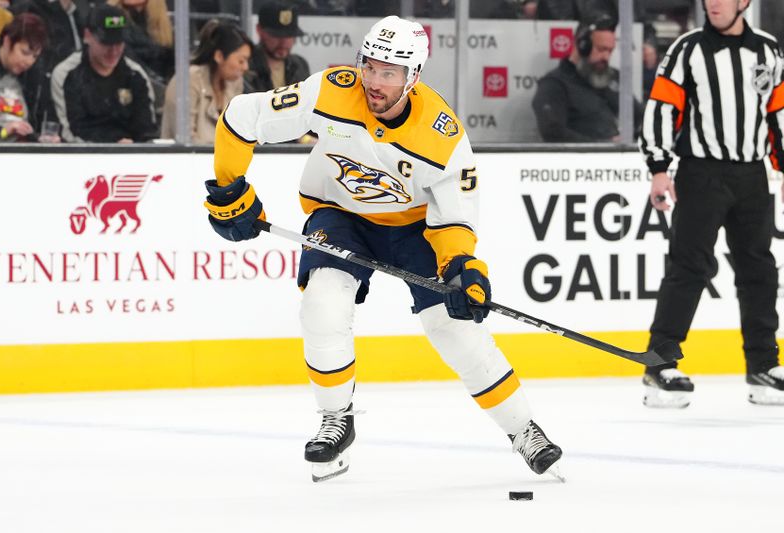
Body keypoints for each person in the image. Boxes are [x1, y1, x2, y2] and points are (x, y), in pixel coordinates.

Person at [203, 15, 564, 483]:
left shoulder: (444, 137)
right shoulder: (330, 90)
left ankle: (523, 429)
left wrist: (462, 269)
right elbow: (241, 117)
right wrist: (230, 190)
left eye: (388, 72)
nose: (373, 81)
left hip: (416, 229)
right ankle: (336, 417)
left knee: (453, 329)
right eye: (369, 66)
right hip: (342, 216)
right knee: (322, 304)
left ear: (413, 77)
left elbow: (455, 217)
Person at [639, 0, 784, 407]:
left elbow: (778, 112)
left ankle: (763, 366)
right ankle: (660, 364)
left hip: (752, 174)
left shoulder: (768, 51)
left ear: (745, 3)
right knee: (689, 266)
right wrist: (659, 167)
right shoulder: (687, 49)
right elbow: (662, 107)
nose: (714, 3)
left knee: (759, 268)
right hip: (701, 173)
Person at [51, 3, 157, 143]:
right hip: (83, 157)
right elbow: (68, 133)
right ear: (87, 36)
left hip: (132, 157)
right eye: (106, 43)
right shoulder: (66, 74)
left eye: (119, 43)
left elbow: (147, 131)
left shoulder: (136, 75)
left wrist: (133, 148)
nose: (113, 51)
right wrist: (110, 148)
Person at [532, 14, 642, 142]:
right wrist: (602, 146)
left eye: (610, 51)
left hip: (622, 157)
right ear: (583, 45)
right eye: (601, 49)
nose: (606, 57)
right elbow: (553, 133)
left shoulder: (613, 78)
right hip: (580, 160)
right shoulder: (554, 85)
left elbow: (640, 115)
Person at [160, 20, 251, 144]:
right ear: (219, 56)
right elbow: (185, 139)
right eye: (241, 61)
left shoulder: (235, 83)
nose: (246, 67)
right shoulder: (187, 81)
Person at [0, 12, 49, 142]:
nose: (29, 61)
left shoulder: (34, 75)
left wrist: (43, 139)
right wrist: (3, 131)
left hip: (25, 150)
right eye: (25, 53)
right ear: (7, 42)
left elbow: (41, 122)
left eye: (35, 56)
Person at [244, 0, 309, 93]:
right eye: (276, 35)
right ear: (259, 30)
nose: (283, 42)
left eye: (289, 36)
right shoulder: (245, 66)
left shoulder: (300, 65)